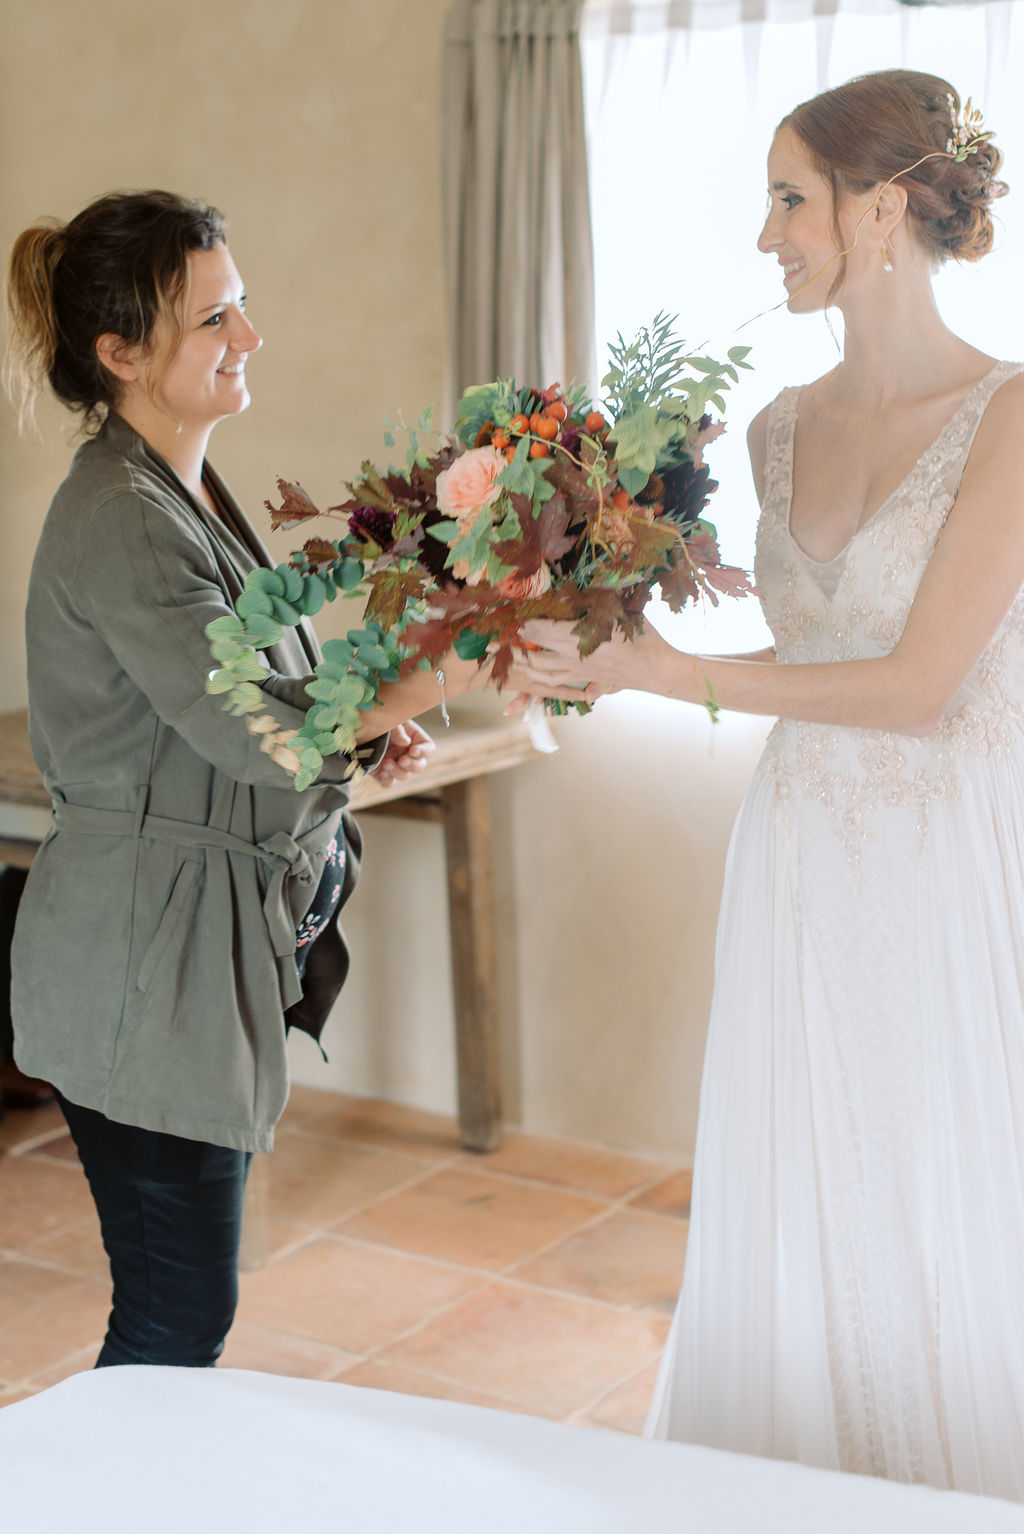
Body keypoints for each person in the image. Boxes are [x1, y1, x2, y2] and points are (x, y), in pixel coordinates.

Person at [513, 70, 1024, 1500]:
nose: (765, 237)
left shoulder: (1012, 415)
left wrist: (666, 672)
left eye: (788, 200)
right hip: (803, 855)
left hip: (948, 861)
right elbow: (810, 660)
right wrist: (616, 653)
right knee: (818, 1182)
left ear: (881, 208)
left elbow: (917, 686)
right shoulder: (774, 429)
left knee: (943, 1184)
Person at [2, 190, 494, 1369]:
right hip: (139, 969)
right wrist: (445, 669)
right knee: (173, 1318)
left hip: (173, 954)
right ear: (121, 353)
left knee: (178, 1315)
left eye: (242, 306)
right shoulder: (123, 517)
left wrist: (371, 726)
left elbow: (254, 695)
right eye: (214, 318)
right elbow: (258, 735)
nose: (250, 337)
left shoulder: (183, 489)